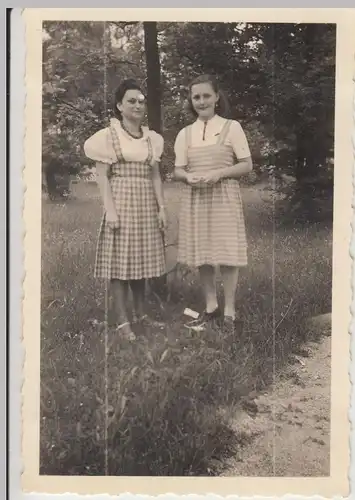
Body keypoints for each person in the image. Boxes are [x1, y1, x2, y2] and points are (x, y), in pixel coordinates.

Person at [84, 79, 167, 341]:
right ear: (119, 105)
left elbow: (155, 176)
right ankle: (122, 322)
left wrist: (162, 207)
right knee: (120, 265)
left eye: (141, 101)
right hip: (121, 199)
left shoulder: (152, 139)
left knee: (140, 262)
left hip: (145, 202)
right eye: (131, 100)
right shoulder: (108, 137)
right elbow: (102, 176)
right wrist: (110, 210)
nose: (138, 105)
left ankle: (141, 315)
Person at [174, 74, 253, 332]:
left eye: (206, 95)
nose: (201, 101)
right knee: (203, 255)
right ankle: (211, 307)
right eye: (196, 97)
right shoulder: (185, 134)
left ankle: (230, 311)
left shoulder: (232, 127)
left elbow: (246, 165)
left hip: (224, 195)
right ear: (191, 100)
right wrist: (189, 177)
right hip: (197, 197)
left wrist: (219, 173)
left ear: (217, 97)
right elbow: (178, 170)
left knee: (228, 253)